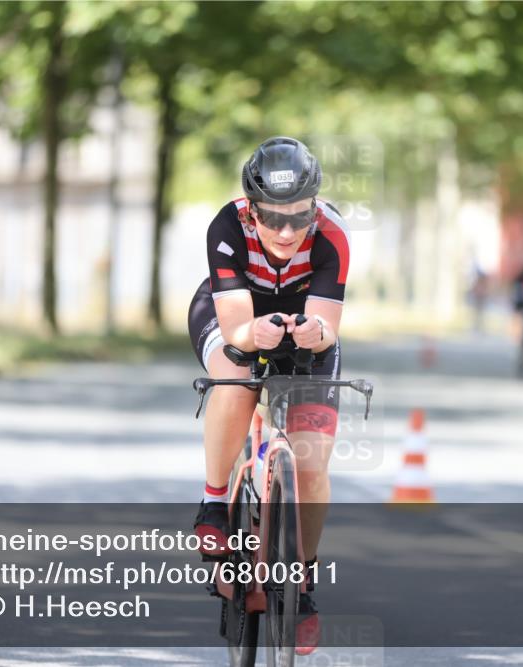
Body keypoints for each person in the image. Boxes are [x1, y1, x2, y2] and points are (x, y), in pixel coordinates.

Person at [187, 136, 350, 655]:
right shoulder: (227, 226)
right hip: (234, 316)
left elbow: (329, 328)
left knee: (312, 462)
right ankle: (214, 504)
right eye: (272, 218)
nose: (286, 231)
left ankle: (300, 582)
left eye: (299, 218)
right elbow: (237, 329)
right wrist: (252, 337)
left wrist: (313, 333)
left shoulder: (333, 234)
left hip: (304, 324)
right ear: (251, 208)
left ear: (315, 208)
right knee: (235, 376)